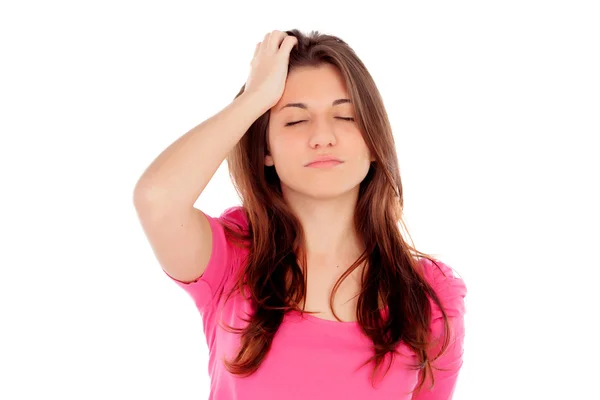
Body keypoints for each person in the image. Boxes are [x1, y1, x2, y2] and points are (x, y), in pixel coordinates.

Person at [133, 28, 467, 400]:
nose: (323, 137)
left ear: (374, 141)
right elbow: (157, 199)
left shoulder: (429, 294)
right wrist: (253, 99)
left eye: (346, 117)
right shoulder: (231, 257)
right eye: (295, 120)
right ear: (266, 150)